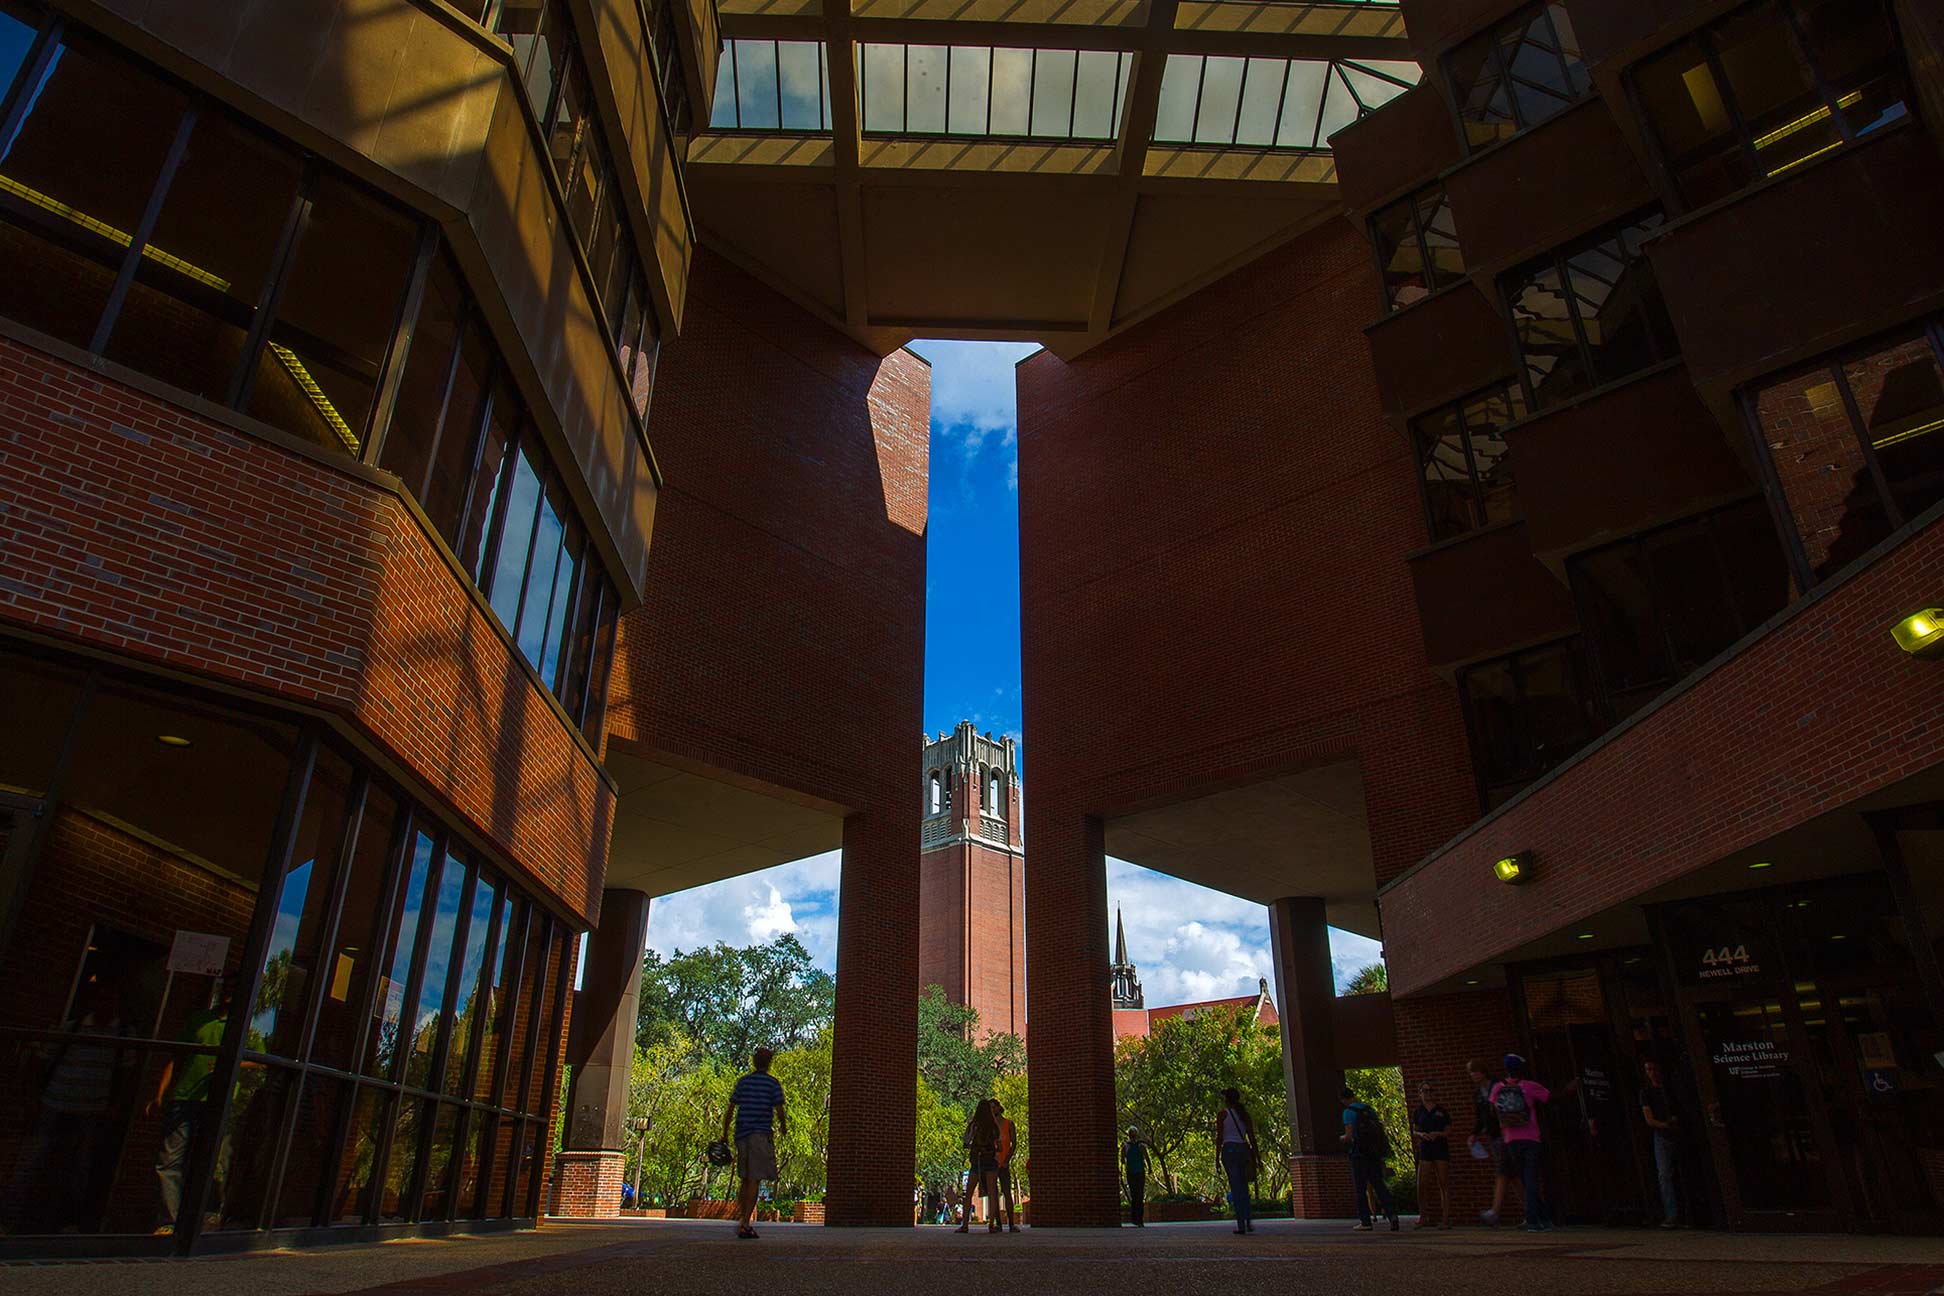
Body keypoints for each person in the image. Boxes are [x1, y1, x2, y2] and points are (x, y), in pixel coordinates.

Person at [149, 980, 238, 1235]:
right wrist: (160, 1093)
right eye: (228, 991)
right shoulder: (201, 1020)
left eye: (235, 991)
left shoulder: (243, 1024)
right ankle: (170, 1220)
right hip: (184, 1097)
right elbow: (177, 1056)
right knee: (170, 1159)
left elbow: (258, 1059)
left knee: (214, 1159)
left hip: (218, 1099)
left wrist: (226, 1064)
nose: (230, 996)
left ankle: (211, 1215)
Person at [720, 1046, 788, 1240]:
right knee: (754, 1178)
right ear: (769, 1063)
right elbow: (779, 1109)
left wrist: (724, 1133)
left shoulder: (744, 1082)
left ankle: (743, 1219)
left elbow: (731, 1109)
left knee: (744, 1177)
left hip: (741, 1134)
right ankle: (745, 1223)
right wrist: (783, 1126)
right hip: (759, 1134)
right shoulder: (771, 1084)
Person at [1489, 1053, 1553, 1233]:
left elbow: (1494, 1111)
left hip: (1510, 1138)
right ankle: (1534, 1220)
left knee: (1526, 1180)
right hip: (1531, 1137)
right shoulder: (1529, 1086)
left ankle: (1543, 1218)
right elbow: (1548, 1097)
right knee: (1531, 1179)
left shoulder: (1497, 1089)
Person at [1339, 1087, 1399, 1232]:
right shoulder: (1369, 1109)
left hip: (1358, 1154)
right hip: (1373, 1153)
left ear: (1343, 1099)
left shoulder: (1348, 1112)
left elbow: (1349, 1136)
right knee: (1379, 1184)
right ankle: (1392, 1215)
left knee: (1360, 1188)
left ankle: (1365, 1221)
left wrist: (1342, 1138)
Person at [1467, 1058, 1515, 1226]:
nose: (1473, 1075)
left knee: (1504, 1171)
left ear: (1482, 1071)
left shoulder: (1498, 1086)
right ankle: (1531, 1211)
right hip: (1495, 1135)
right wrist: (1474, 1134)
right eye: (1471, 1072)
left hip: (1507, 1133)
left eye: (1475, 1071)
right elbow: (1481, 1117)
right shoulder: (1478, 1094)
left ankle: (1495, 1211)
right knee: (1509, 1173)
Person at [1639, 1058, 1680, 1229]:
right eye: (1649, 1069)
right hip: (1662, 1135)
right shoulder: (1646, 1092)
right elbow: (1649, 1119)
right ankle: (1671, 1214)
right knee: (1664, 1174)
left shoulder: (1671, 1089)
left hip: (1673, 1134)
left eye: (1654, 1068)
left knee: (1669, 1174)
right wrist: (1666, 1124)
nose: (1652, 1073)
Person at [1213, 1088, 1259, 1235]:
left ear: (1226, 1099)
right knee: (1244, 1187)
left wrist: (1217, 1157)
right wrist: (1257, 1157)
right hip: (1243, 1149)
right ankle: (1248, 1221)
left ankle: (1241, 1225)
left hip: (1229, 1150)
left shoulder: (1222, 1115)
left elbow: (1220, 1137)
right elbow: (1251, 1137)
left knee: (1236, 1186)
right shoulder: (1244, 1115)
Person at [955, 1099, 1002, 1233]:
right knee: (992, 1192)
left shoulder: (974, 1125)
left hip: (977, 1161)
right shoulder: (993, 1126)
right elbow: (999, 1146)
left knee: (968, 1192)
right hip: (990, 1161)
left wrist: (974, 1147)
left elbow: (965, 1142)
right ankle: (991, 1224)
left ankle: (965, 1225)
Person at [1411, 1082, 1451, 1229]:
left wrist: (1438, 1134)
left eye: (1430, 1090)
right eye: (1424, 1091)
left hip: (1440, 1147)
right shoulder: (1418, 1112)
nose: (1427, 1093)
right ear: (1419, 1093)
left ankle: (1445, 1218)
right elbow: (1415, 1130)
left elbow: (1448, 1130)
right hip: (1425, 1148)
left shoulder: (1441, 1111)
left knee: (1443, 1183)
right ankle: (1423, 1216)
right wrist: (1422, 1134)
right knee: (1422, 1184)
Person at [992, 1097, 1020, 1232]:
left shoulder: (1009, 1124)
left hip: (1003, 1164)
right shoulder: (990, 1125)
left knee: (1007, 1192)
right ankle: (998, 1223)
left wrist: (1007, 1160)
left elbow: (1013, 1143)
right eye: (990, 1108)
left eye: (994, 1107)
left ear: (999, 1107)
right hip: (992, 1163)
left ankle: (1011, 1224)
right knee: (994, 1193)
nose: (992, 1110)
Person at [1122, 1125, 1151, 1227]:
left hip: (1138, 1172)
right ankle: (1136, 1218)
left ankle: (1138, 1218)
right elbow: (1122, 1160)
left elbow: (1146, 1157)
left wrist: (1150, 1168)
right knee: (1135, 1195)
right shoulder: (1127, 1146)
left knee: (1138, 1195)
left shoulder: (1138, 1146)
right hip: (1132, 1172)